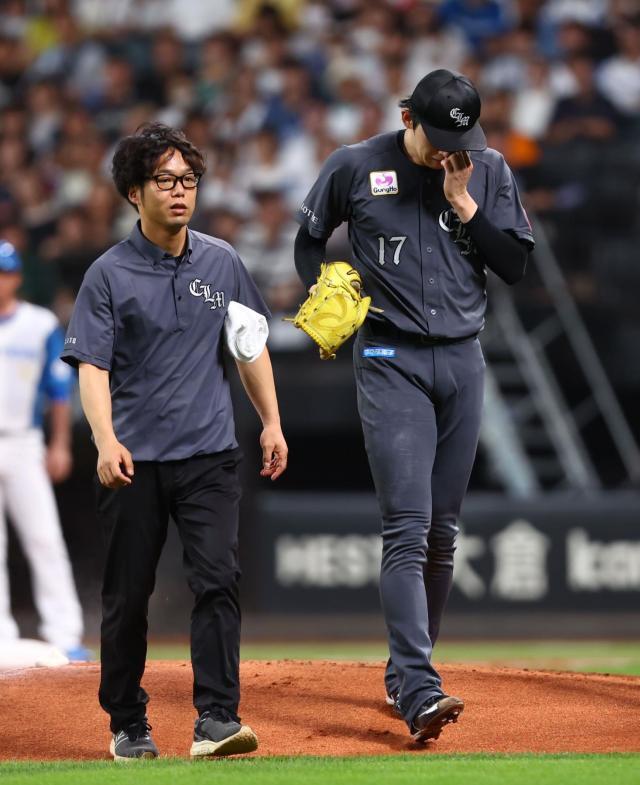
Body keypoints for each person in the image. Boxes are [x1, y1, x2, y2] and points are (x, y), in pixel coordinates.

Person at [294, 69, 534, 742]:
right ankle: (420, 685)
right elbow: (309, 237)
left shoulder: (483, 169)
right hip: (390, 357)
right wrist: (325, 282)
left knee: (442, 533)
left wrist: (465, 205)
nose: (448, 148)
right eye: (436, 135)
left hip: (463, 357)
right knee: (407, 522)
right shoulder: (356, 164)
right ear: (407, 117)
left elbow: (514, 266)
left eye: (462, 135)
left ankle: (407, 673)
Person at [62, 123, 288, 761]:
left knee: (218, 580)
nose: (179, 192)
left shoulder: (223, 261)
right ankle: (128, 724)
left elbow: (249, 346)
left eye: (188, 180)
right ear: (135, 193)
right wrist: (104, 440)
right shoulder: (107, 274)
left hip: (210, 454)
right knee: (129, 594)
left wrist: (271, 421)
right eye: (164, 181)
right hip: (133, 460)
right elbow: (92, 367)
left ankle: (216, 719)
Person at [0, 240, 90, 663]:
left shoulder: (38, 324)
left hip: (23, 441)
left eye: (6, 272)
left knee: (44, 537)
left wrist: (60, 444)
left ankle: (65, 633)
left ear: (17, 277)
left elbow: (59, 390)